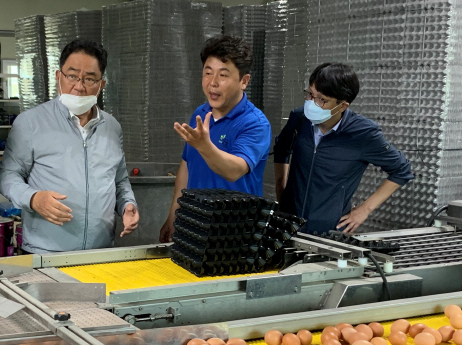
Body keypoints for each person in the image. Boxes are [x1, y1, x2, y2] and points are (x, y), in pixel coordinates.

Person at [0, 39, 138, 254]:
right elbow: (7, 176)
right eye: (72, 76)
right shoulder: (30, 123)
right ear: (58, 77)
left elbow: (119, 180)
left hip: (100, 252)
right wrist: (33, 199)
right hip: (44, 253)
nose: (79, 86)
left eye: (89, 79)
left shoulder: (112, 127)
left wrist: (127, 205)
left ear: (101, 85)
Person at [273, 62, 414, 234]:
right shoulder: (299, 118)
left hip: (329, 230)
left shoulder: (363, 133)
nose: (311, 103)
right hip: (287, 224)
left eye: (321, 100)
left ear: (342, 106)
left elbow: (402, 170)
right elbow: (281, 150)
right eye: (310, 94)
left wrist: (365, 210)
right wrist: (281, 191)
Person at [159, 35, 271, 243]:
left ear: (244, 81)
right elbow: (186, 165)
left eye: (223, 75)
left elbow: (234, 170)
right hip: (194, 224)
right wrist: (174, 214)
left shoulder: (255, 123)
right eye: (208, 73)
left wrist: (206, 147)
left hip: (233, 233)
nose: (213, 83)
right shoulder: (200, 114)